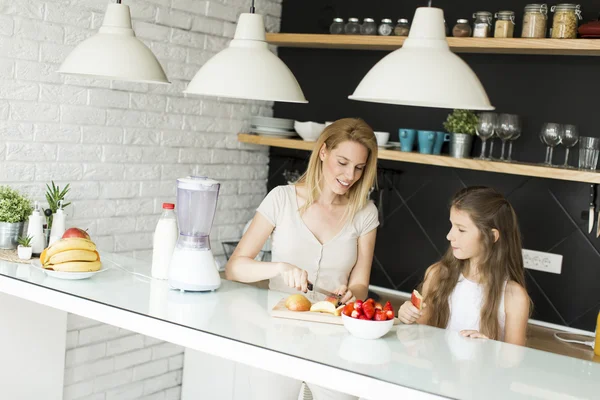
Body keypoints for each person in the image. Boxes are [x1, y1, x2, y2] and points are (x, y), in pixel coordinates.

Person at [226, 118, 380, 400]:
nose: (350, 175)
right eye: (342, 162)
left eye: (359, 167)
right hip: (276, 336)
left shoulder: (365, 212)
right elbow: (235, 268)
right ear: (323, 152)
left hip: (336, 341)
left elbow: (360, 284)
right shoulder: (281, 199)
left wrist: (351, 294)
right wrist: (280, 268)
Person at [397, 186, 531, 346]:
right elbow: (419, 336)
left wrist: (490, 350)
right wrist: (407, 317)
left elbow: (514, 362)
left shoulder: (514, 297)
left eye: (461, 229)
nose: (449, 236)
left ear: (492, 236)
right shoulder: (437, 274)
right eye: (452, 225)